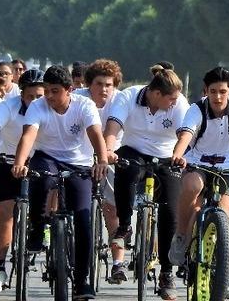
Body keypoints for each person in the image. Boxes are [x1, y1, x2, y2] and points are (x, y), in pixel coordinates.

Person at [11, 65, 109, 300]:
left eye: (55, 91)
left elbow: (96, 135)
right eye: (47, 91)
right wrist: (20, 162)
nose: (49, 96)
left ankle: (83, 280)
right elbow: (28, 136)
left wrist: (102, 160)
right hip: (48, 157)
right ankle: (37, 227)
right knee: (40, 180)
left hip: (79, 164)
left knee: (84, 220)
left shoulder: (84, 106)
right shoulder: (37, 106)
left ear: (69, 90)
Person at [168, 68, 229, 299]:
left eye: (223, 91)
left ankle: (225, 276)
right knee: (192, 187)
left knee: (223, 213)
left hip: (227, 165)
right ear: (206, 91)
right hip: (198, 162)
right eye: (213, 91)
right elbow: (186, 135)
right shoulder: (197, 109)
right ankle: (182, 235)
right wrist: (178, 155)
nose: (218, 97)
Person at [106, 65, 189, 301]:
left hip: (167, 156)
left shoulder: (179, 103)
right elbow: (113, 127)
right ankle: (124, 225)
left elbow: (184, 133)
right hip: (134, 151)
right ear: (155, 94)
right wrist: (109, 149)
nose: (174, 102)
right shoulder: (129, 96)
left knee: (170, 213)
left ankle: (166, 272)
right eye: (170, 98)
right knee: (126, 169)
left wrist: (179, 154)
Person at [0, 68, 45, 293]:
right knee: (5, 212)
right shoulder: (8, 106)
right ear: (21, 94)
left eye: (39, 96)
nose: (35, 101)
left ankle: (48, 230)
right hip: (7, 162)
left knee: (50, 197)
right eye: (30, 96)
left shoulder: (51, 107)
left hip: (41, 162)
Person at [75, 59, 128, 284]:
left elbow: (115, 131)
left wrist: (107, 153)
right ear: (89, 85)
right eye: (99, 84)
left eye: (109, 84)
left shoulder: (120, 100)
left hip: (111, 155)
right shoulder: (78, 99)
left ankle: (117, 263)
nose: (104, 89)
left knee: (111, 209)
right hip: (82, 157)